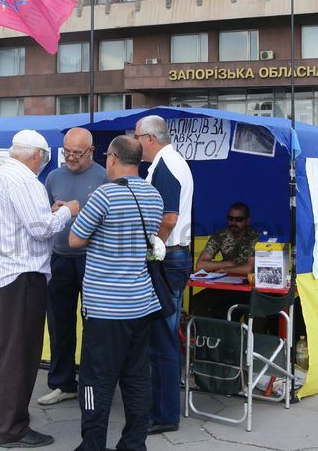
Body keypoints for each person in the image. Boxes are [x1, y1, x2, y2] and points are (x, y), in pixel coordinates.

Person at [0, 130, 81, 449]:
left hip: (2, 273)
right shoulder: (27, 181)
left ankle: (0, 415)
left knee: (3, 348)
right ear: (36, 154)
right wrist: (67, 211)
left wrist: (49, 211)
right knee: (21, 354)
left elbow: (15, 222)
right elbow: (40, 230)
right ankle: (13, 429)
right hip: (24, 275)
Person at [69, 135, 163, 451]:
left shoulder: (104, 196)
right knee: (137, 378)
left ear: (111, 158)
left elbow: (75, 240)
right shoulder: (154, 195)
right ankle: (134, 444)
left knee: (95, 380)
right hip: (141, 303)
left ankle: (93, 444)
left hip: (105, 307)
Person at [38, 127, 108, 407]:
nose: (70, 157)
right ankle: (62, 383)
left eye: (77, 153)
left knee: (94, 325)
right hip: (60, 258)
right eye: (66, 151)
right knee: (59, 323)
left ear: (91, 151)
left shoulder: (105, 177)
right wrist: (52, 212)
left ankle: (92, 384)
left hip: (93, 259)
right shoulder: (54, 176)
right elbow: (44, 217)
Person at [134, 114, 194, 435]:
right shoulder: (169, 162)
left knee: (162, 339)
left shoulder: (166, 165)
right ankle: (162, 409)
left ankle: (164, 414)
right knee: (163, 337)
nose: (136, 144)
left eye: (137, 137)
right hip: (173, 256)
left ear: (150, 138)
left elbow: (169, 218)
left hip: (168, 257)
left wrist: (152, 248)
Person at [195, 202, 259, 276]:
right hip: (225, 278)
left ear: (248, 220)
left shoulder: (254, 236)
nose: (234, 222)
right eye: (230, 218)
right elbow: (200, 265)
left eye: (238, 219)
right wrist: (229, 264)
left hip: (248, 281)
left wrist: (224, 270)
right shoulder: (221, 235)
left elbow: (249, 269)